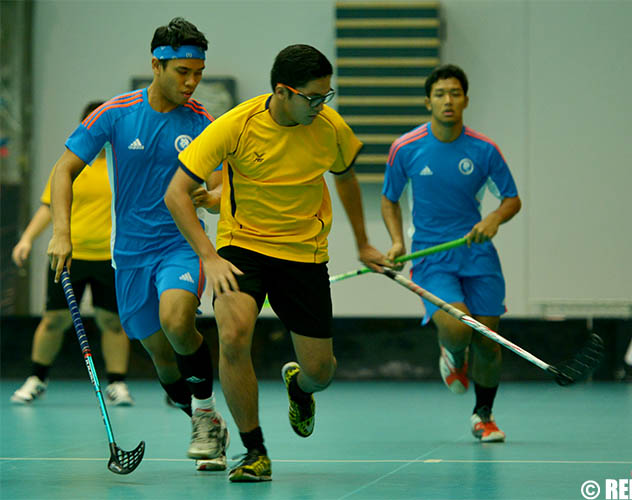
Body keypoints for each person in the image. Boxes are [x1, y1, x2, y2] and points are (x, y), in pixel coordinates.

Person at [164, 44, 388, 482]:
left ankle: (299, 390)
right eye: (314, 97)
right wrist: (209, 255)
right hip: (241, 246)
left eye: (327, 96)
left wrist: (364, 243)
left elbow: (345, 178)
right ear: (284, 92)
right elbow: (176, 194)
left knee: (321, 372)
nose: (322, 106)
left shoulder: (330, 128)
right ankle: (254, 451)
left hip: (304, 253)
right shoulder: (235, 126)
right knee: (232, 334)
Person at [46, 17, 228, 471]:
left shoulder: (205, 122)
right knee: (162, 359)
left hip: (180, 245)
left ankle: (204, 416)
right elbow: (62, 170)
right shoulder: (115, 114)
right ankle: (204, 421)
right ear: (157, 64)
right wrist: (61, 233)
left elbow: (225, 190)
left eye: (198, 73)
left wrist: (213, 197)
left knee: (177, 319)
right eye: (182, 71)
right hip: (128, 255)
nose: (191, 82)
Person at [380, 64, 521, 443]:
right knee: (459, 326)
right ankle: (453, 354)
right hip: (430, 256)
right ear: (428, 101)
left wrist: (493, 218)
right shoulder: (406, 148)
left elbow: (512, 199)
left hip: (478, 254)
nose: (448, 100)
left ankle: (484, 415)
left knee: (488, 341)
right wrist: (396, 242)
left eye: (455, 93)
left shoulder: (484, 150)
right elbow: (389, 200)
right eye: (440, 94)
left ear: (466, 100)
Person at [11, 102, 134, 407]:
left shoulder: (124, 164)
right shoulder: (69, 164)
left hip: (111, 258)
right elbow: (48, 207)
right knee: (54, 321)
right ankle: (37, 378)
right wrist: (27, 238)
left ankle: (117, 384)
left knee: (113, 323)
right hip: (68, 256)